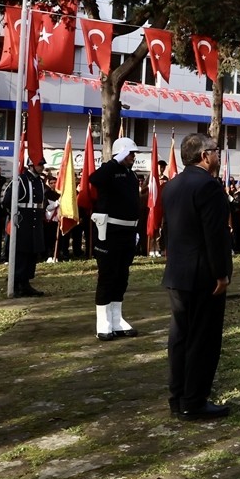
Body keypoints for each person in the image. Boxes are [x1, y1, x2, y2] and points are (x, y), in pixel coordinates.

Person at [161, 133, 234, 420]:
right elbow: (215, 236)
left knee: (180, 338)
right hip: (203, 275)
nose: (218, 155)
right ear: (205, 156)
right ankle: (195, 401)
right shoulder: (209, 187)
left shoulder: (173, 186)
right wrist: (222, 274)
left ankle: (178, 398)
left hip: (178, 273)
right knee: (203, 339)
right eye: (216, 151)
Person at [89, 137, 143, 341]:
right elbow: (94, 179)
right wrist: (114, 161)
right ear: (120, 153)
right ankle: (103, 322)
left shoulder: (131, 175)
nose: (133, 157)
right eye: (130, 153)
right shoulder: (109, 171)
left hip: (128, 232)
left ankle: (116, 318)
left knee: (122, 277)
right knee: (107, 277)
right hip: (109, 232)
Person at [0, 157, 59, 296]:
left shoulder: (39, 181)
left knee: (32, 252)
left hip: (35, 221)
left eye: (43, 164)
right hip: (23, 220)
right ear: (31, 165)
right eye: (40, 164)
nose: (42, 167)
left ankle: (26, 283)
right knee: (21, 252)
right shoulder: (20, 180)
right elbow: (7, 201)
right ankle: (16, 283)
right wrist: (16, 215)